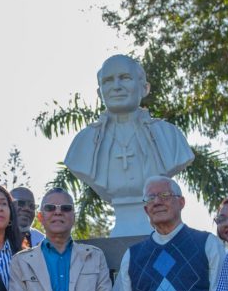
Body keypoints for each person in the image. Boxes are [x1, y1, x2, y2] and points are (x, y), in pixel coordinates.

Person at [64, 55, 194, 235]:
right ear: (99, 92)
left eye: (125, 78)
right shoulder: (84, 143)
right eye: (108, 81)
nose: (116, 86)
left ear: (144, 88)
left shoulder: (169, 136)